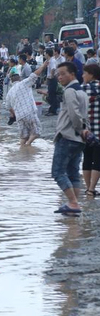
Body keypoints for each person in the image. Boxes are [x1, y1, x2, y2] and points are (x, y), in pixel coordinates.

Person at [52, 61, 90, 215]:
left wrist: (80, 129)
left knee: (58, 172)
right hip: (79, 140)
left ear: (72, 74)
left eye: (63, 74)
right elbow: (84, 115)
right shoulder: (82, 91)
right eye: (58, 75)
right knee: (73, 172)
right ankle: (74, 204)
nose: (59, 77)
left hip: (68, 136)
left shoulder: (69, 91)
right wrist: (84, 131)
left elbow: (74, 114)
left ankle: (73, 203)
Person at [6, 61, 48, 146]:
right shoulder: (24, 83)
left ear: (11, 81)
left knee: (24, 136)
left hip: (19, 116)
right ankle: (28, 145)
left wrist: (15, 114)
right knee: (37, 132)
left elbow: (8, 107)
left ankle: (22, 151)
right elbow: (34, 75)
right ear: (19, 79)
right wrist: (43, 66)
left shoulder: (9, 92)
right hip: (29, 112)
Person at [82, 64, 100, 197]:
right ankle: (92, 189)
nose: (83, 76)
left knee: (87, 159)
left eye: (85, 73)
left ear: (91, 74)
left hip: (86, 132)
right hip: (99, 131)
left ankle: (88, 188)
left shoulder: (83, 89)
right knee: (97, 160)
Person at [45, 48, 60, 116]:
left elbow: (53, 68)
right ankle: (52, 109)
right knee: (50, 94)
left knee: (52, 95)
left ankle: (53, 110)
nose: (44, 55)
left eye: (45, 53)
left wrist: (51, 76)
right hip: (50, 79)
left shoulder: (52, 61)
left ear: (47, 54)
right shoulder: (49, 60)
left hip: (52, 79)